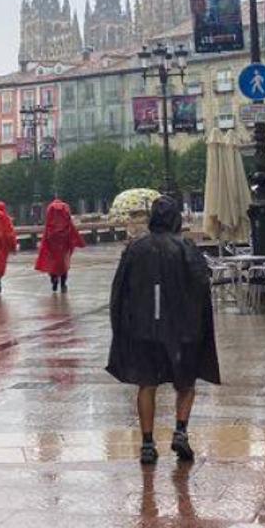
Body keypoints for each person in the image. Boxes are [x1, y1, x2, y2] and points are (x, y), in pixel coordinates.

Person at [107, 196, 220, 465]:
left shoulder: (135, 249)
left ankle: (147, 443)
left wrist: (122, 326)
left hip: (144, 329)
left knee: (147, 384)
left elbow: (119, 291)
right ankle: (180, 430)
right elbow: (201, 283)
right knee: (187, 383)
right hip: (181, 329)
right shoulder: (186, 248)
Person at [34, 199, 85, 292]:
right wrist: (78, 240)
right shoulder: (65, 207)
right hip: (64, 239)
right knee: (64, 263)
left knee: (53, 262)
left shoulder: (50, 208)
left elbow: (48, 223)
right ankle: (63, 284)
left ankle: (53, 279)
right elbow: (70, 223)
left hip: (52, 238)